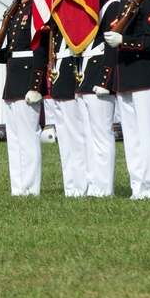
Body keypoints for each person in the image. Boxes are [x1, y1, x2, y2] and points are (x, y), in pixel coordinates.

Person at [103, 0, 150, 199]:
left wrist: (123, 41)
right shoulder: (124, 3)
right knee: (131, 137)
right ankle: (137, 187)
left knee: (147, 136)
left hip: (143, 77)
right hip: (125, 76)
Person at [0, 0, 48, 196]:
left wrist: (35, 85)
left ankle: (31, 188)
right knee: (15, 139)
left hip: (27, 80)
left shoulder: (36, 12)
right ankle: (18, 188)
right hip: (13, 79)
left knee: (28, 137)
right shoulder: (17, 11)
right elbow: (13, 50)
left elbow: (39, 52)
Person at [75, 0, 121, 197]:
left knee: (101, 135)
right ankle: (93, 185)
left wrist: (105, 80)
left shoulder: (113, 6)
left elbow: (112, 46)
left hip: (99, 74)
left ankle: (104, 187)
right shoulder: (93, 5)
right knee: (88, 135)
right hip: (86, 73)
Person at [47, 27, 85, 196]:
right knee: (64, 140)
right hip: (59, 82)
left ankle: (81, 184)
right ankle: (70, 186)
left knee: (75, 138)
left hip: (70, 80)